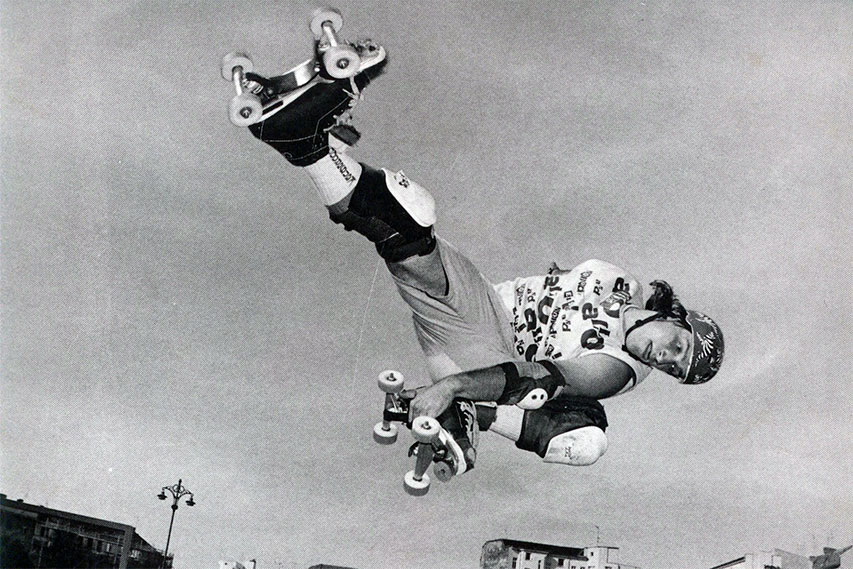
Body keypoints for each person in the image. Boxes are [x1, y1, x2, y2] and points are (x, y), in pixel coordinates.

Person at [238, 41, 724, 477]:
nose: (664, 359)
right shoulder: (622, 279)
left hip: (491, 351)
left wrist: (454, 389)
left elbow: (543, 377)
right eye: (677, 348)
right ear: (675, 316)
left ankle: (474, 411)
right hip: (486, 302)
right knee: (410, 238)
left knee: (584, 434)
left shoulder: (617, 371)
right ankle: (304, 143)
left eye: (672, 369)